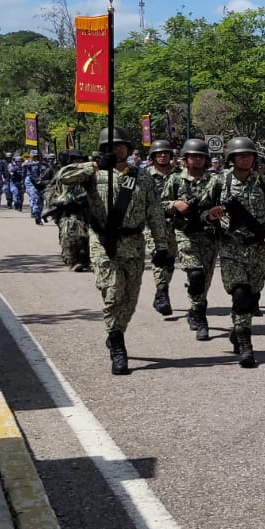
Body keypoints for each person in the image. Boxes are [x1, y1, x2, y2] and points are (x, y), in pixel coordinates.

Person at [55, 129, 173, 375]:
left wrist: (160, 247)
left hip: (134, 243)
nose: (117, 150)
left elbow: (155, 214)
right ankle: (117, 343)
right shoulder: (93, 173)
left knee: (130, 299)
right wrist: (93, 166)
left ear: (128, 149)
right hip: (103, 243)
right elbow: (63, 177)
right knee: (112, 293)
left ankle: (117, 329)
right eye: (111, 146)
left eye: (121, 146)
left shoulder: (142, 177)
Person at [198, 137, 265, 368]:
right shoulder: (219, 182)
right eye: (240, 155)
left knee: (253, 295)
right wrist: (210, 215)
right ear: (232, 158)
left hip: (259, 248)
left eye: (249, 155)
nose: (245, 158)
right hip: (231, 247)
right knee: (241, 295)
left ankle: (238, 330)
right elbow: (201, 210)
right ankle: (246, 345)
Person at [164, 139, 220, 341]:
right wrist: (174, 204)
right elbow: (159, 205)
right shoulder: (176, 180)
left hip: (208, 235)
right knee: (195, 274)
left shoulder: (215, 181)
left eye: (200, 156)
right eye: (192, 156)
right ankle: (201, 316)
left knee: (204, 279)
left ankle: (196, 307)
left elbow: (224, 204)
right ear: (185, 159)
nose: (196, 160)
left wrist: (217, 213)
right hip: (185, 233)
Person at [143, 140, 179, 316]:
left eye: (166, 153)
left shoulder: (178, 175)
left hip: (175, 224)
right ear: (153, 157)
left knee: (170, 261)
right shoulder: (144, 176)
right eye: (159, 153)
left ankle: (161, 290)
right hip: (152, 224)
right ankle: (162, 293)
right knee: (160, 257)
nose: (162, 156)